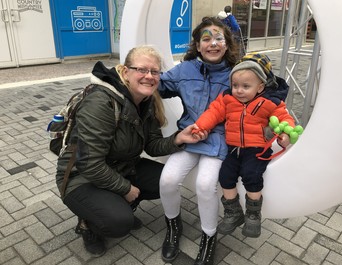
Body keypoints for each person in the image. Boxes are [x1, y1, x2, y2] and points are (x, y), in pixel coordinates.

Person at [55, 45, 205, 257]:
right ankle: (88, 225)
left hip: (122, 167)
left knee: (167, 180)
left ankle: (117, 204)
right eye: (142, 70)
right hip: (80, 177)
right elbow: (88, 162)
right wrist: (126, 189)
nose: (149, 76)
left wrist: (179, 139)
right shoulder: (100, 102)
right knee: (119, 223)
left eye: (155, 72)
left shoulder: (146, 102)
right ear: (126, 72)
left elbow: (152, 146)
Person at [158, 17, 239, 265]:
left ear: (227, 45)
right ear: (197, 44)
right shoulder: (185, 70)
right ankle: (173, 226)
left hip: (219, 141)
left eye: (218, 39)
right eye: (206, 39)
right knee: (168, 180)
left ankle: (209, 236)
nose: (212, 44)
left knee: (205, 185)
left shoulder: (237, 72)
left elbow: (260, 93)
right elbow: (156, 85)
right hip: (190, 135)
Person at [193, 53, 295, 238]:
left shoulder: (270, 102)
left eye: (246, 86)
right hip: (233, 148)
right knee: (225, 176)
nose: (239, 90)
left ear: (260, 87)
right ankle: (233, 212)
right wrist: (201, 126)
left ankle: (253, 214)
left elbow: (285, 118)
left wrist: (286, 134)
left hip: (257, 148)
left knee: (252, 176)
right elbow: (213, 113)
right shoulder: (227, 99)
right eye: (235, 85)